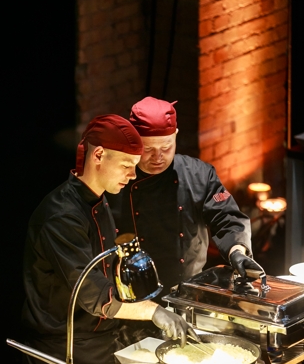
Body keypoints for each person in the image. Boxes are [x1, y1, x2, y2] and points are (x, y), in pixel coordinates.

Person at [21, 114, 197, 364]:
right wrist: (154, 312)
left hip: (100, 340)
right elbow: (93, 294)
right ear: (99, 155)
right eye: (127, 165)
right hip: (62, 348)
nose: (133, 174)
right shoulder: (61, 217)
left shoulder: (99, 200)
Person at [107, 97, 264, 301]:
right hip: (130, 299)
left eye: (166, 148)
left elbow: (227, 217)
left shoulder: (199, 175)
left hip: (188, 293)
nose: (158, 157)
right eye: (148, 149)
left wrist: (237, 252)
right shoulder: (115, 181)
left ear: (176, 136)